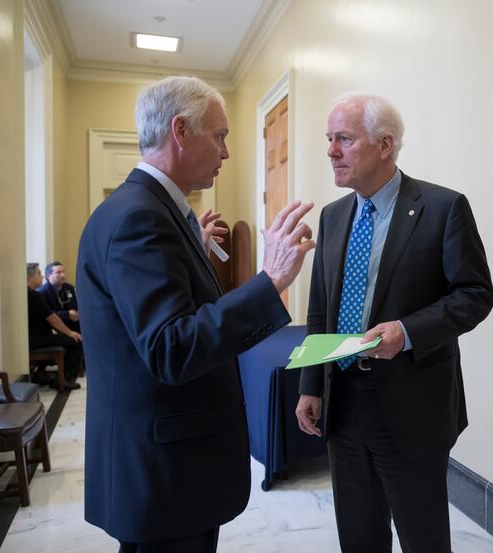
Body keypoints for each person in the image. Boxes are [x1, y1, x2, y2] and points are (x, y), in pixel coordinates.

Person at [76, 76, 315, 553]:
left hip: (163, 464)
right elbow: (171, 348)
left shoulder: (148, 211)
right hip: (165, 469)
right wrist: (270, 281)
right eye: (220, 135)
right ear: (180, 131)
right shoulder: (140, 218)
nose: (226, 152)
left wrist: (191, 256)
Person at [295, 95, 493, 553]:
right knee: (359, 536)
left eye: (343, 139)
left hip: (412, 404)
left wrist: (407, 332)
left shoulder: (443, 208)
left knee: (422, 536)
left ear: (385, 144)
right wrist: (311, 384)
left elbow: (476, 295)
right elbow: (321, 309)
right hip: (342, 401)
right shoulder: (332, 215)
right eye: (329, 139)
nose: (330, 151)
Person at [26, 263, 83, 390]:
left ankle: (42, 374)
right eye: (39, 274)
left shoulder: (27, 294)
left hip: (35, 337)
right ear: (29, 278)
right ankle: (65, 380)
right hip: (36, 339)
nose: (41, 277)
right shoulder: (35, 295)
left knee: (65, 338)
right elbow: (52, 318)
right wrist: (70, 333)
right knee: (76, 340)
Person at [37, 261, 80, 331]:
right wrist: (67, 315)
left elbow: (75, 307)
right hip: (54, 328)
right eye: (58, 272)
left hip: (72, 324)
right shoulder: (42, 292)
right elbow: (47, 315)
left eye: (63, 272)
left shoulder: (70, 288)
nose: (63, 275)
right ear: (48, 276)